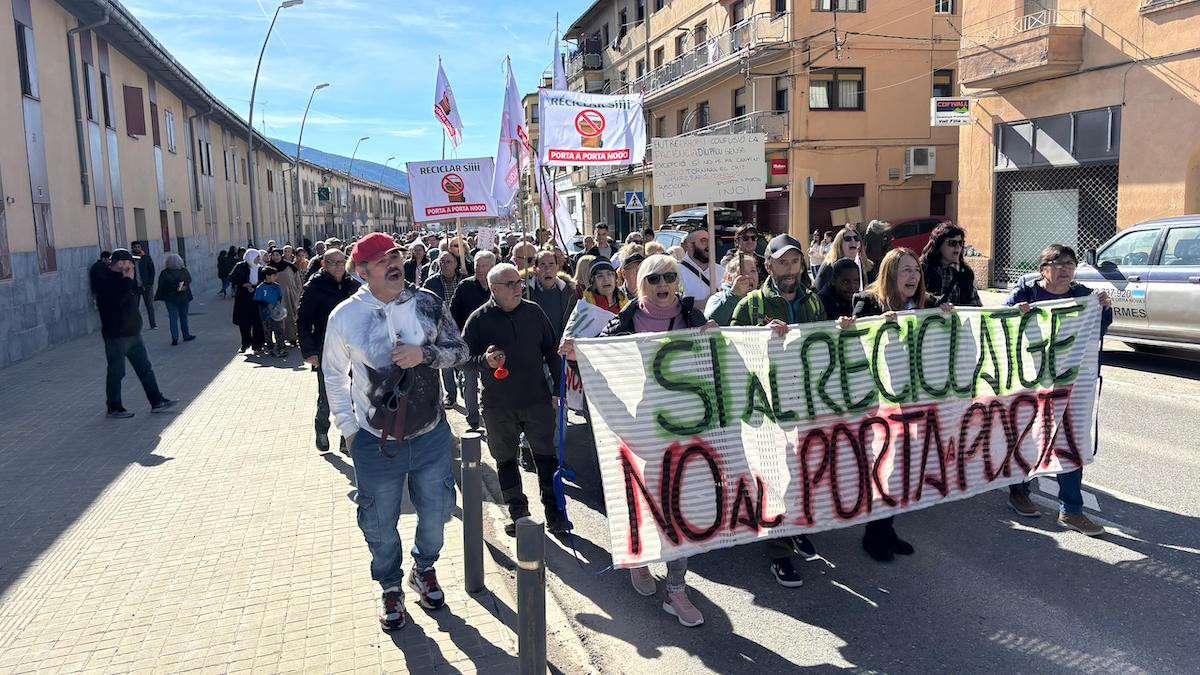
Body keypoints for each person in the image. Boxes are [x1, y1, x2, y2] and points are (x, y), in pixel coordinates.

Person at [322, 232, 469, 631]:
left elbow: (461, 350)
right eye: (382, 259)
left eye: (397, 256)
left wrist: (426, 354)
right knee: (379, 524)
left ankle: (424, 568)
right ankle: (390, 587)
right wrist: (349, 430)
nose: (394, 264)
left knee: (437, 514)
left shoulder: (427, 303)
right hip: (375, 441)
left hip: (431, 434)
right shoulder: (344, 317)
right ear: (363, 270)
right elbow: (333, 377)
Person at [560, 254, 714, 627]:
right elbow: (599, 371)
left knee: (682, 509)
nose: (663, 285)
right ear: (637, 284)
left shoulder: (695, 318)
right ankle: (641, 556)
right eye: (653, 278)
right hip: (636, 430)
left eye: (670, 277)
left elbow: (725, 360)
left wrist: (761, 335)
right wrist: (578, 357)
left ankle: (676, 588)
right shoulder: (622, 323)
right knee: (642, 503)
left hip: (685, 429)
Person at [729, 235, 825, 585]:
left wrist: (841, 331)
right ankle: (779, 553)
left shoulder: (813, 302)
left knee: (803, 473)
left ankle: (795, 527)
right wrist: (760, 334)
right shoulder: (751, 305)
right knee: (775, 478)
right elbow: (732, 349)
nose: (789, 269)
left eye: (795, 261)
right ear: (767, 266)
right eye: (782, 262)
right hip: (766, 410)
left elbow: (824, 345)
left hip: (804, 404)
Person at [848, 247, 948, 562]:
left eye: (916, 270)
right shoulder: (868, 303)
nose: (913, 276)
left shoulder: (926, 306)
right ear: (890, 274)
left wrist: (947, 315)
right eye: (905, 270)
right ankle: (873, 534)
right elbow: (855, 342)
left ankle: (886, 527)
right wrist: (879, 323)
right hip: (878, 402)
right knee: (882, 465)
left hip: (912, 400)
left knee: (902, 466)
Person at [1005, 244, 1112, 536]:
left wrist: (1103, 309)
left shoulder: (1082, 296)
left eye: (1070, 264)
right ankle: (1019, 491)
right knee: (1028, 437)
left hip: (1071, 385)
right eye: (1058, 263)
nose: (1065, 269)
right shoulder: (1025, 293)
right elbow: (998, 323)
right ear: (1043, 268)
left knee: (1072, 441)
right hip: (1030, 383)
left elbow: (1097, 331)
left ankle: (1071, 509)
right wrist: (1014, 314)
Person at [462, 263, 567, 537]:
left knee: (546, 458)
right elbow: (463, 361)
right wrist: (484, 361)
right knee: (506, 460)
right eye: (510, 284)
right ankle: (518, 512)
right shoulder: (478, 319)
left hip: (536, 399)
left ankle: (555, 513)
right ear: (494, 288)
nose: (518, 287)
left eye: (518, 282)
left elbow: (552, 352)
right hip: (499, 405)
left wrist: (558, 389)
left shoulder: (533, 311)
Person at [94, 249, 176, 418]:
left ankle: (157, 401)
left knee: (145, 369)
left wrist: (128, 280)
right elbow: (117, 302)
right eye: (130, 262)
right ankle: (114, 407)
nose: (132, 265)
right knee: (117, 373)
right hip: (116, 336)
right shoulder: (105, 281)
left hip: (133, 334)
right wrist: (127, 280)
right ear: (119, 263)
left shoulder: (125, 280)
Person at [298, 247, 360, 452]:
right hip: (325, 348)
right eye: (333, 263)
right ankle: (321, 428)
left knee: (353, 391)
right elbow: (304, 320)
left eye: (342, 262)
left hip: (352, 348)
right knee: (328, 394)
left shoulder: (352, 285)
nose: (339, 267)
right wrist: (309, 351)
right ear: (324, 264)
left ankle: (347, 435)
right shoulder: (314, 286)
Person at [450, 251, 496, 430]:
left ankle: (491, 414)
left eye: (484, 265)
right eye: (477, 265)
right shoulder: (464, 286)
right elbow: (453, 313)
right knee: (469, 381)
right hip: (469, 342)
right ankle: (473, 418)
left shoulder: (499, 285)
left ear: (492, 266)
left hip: (493, 343)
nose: (480, 269)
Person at [424, 251, 466, 408]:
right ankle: (451, 395)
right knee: (447, 363)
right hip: (442, 328)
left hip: (461, 324)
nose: (444, 265)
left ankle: (465, 389)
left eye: (448, 261)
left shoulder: (464, 280)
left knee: (463, 360)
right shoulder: (431, 283)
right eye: (441, 262)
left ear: (456, 263)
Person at [920, 222, 981, 307]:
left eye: (961, 243)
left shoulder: (965, 272)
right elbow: (915, 298)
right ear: (939, 245)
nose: (958, 247)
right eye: (952, 243)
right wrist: (934, 301)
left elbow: (976, 305)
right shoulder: (923, 269)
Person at [529, 250, 578, 342]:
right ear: (535, 269)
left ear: (557, 267)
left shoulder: (569, 293)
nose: (547, 269)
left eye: (551, 264)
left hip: (560, 349)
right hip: (534, 348)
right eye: (542, 265)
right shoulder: (524, 293)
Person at [814, 226, 875, 293]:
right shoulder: (829, 268)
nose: (853, 241)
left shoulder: (869, 267)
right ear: (839, 244)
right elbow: (820, 294)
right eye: (848, 239)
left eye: (856, 238)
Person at [704, 253, 760, 326]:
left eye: (752, 271)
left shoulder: (761, 298)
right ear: (729, 277)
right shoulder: (717, 298)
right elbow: (712, 322)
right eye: (743, 271)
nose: (749, 276)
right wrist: (734, 295)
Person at [228, 249, 266, 353]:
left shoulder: (260, 269)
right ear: (251, 257)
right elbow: (231, 278)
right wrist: (244, 284)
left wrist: (255, 287)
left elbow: (264, 282)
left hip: (257, 299)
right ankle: (245, 343)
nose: (259, 259)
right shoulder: (241, 266)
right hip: (243, 298)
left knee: (257, 322)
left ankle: (257, 345)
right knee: (244, 323)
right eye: (257, 257)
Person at [154, 253, 196, 346]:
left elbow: (161, 285)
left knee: (172, 319)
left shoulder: (164, 273)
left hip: (170, 299)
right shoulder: (183, 271)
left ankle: (175, 338)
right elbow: (188, 281)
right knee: (183, 317)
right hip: (183, 297)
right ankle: (186, 335)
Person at [269, 248, 303, 346]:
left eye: (277, 255)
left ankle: (292, 337)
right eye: (273, 255)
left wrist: (297, 293)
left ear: (281, 256)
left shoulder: (290, 266)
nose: (275, 257)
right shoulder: (268, 268)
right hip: (275, 298)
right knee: (277, 318)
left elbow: (297, 281)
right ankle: (280, 339)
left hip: (289, 296)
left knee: (290, 317)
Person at [254, 266, 286, 358]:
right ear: (267, 276)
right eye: (273, 275)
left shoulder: (276, 286)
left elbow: (280, 296)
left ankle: (280, 348)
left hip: (276, 313)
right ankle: (270, 348)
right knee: (268, 332)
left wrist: (278, 306)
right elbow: (257, 301)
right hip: (265, 314)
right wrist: (267, 305)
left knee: (279, 330)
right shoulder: (260, 287)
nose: (275, 277)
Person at [677, 228, 715, 304]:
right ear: (690, 246)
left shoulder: (721, 271)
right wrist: (704, 303)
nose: (709, 245)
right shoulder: (676, 272)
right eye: (703, 241)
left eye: (710, 241)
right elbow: (672, 304)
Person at [130, 240, 157, 329]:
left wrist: (150, 283)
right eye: (135, 247)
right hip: (135, 287)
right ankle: (136, 326)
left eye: (138, 247)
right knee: (134, 308)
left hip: (146, 287)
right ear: (132, 248)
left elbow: (152, 271)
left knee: (150, 306)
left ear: (141, 248)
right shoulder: (129, 260)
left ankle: (153, 324)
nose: (137, 249)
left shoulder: (146, 258)